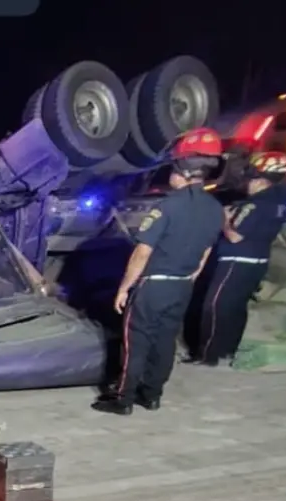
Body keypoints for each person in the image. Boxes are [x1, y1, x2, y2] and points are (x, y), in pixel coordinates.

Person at [94, 128, 227, 416]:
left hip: (153, 286)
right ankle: (152, 395)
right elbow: (206, 250)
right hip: (182, 286)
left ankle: (123, 398)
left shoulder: (166, 207)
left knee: (136, 341)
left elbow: (143, 251)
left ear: (181, 170)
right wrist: (190, 277)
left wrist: (124, 288)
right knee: (165, 340)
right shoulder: (216, 209)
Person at [186, 151, 286, 366]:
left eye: (250, 179)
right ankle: (227, 352)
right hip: (257, 262)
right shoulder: (279, 203)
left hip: (237, 261)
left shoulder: (254, 205)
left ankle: (209, 356)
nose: (247, 184)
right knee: (236, 307)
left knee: (214, 306)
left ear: (261, 180)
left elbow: (234, 235)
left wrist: (224, 218)